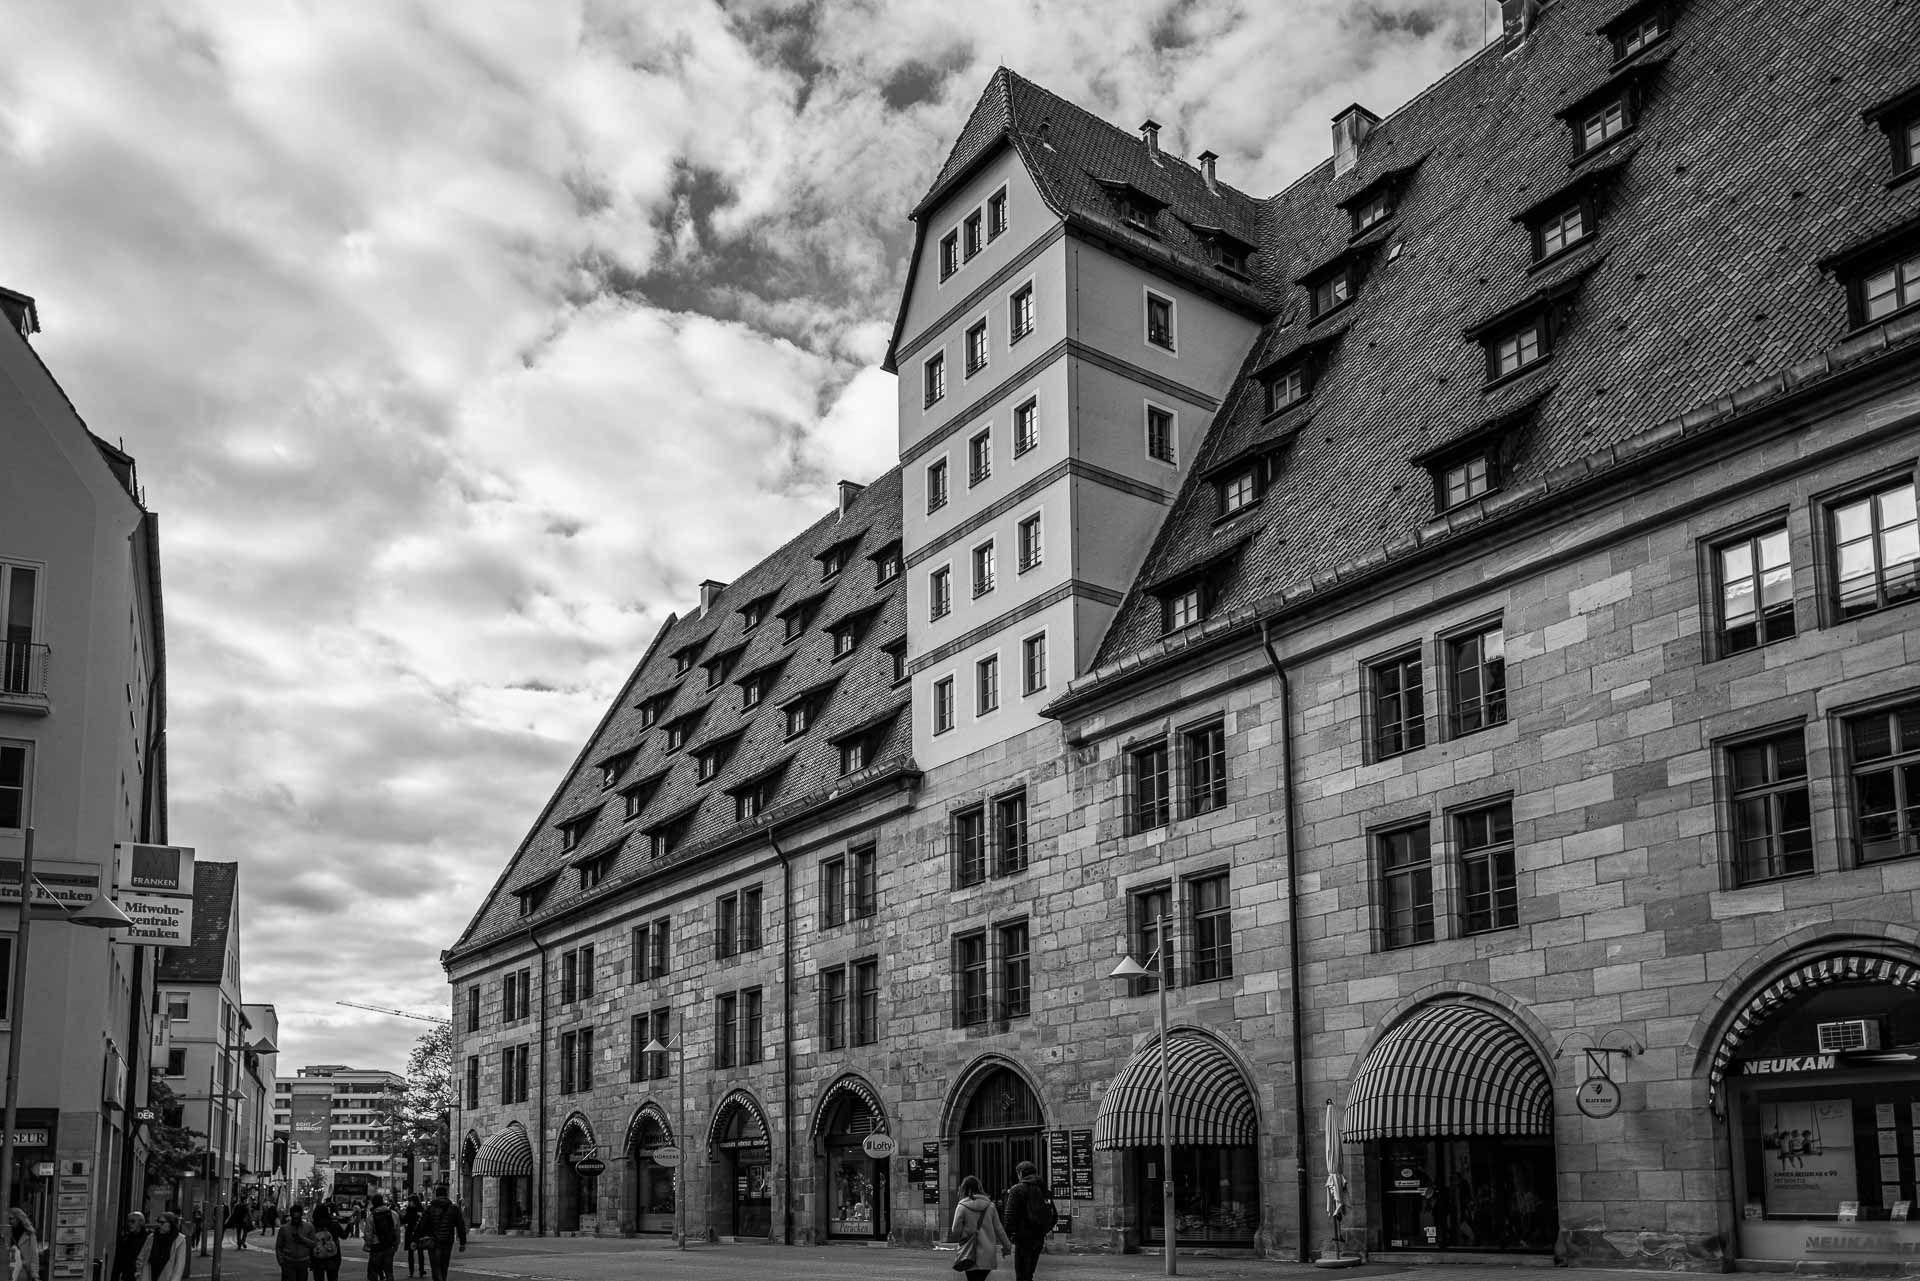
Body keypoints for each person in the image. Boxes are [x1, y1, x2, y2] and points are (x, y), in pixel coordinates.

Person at [950, 1175, 1013, 1281]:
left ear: (963, 1189)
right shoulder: (990, 1206)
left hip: (969, 1252)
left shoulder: (962, 1206)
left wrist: (963, 1235)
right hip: (987, 1253)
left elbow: (955, 1230)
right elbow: (999, 1229)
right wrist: (1007, 1247)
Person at [999, 1161, 1055, 1281]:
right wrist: (1043, 1230)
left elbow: (1009, 1216)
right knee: (1029, 1274)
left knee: (1021, 1275)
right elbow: (1054, 1216)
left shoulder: (1017, 1189)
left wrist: (1006, 1240)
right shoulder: (1043, 1188)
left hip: (1022, 1238)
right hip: (1038, 1239)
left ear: (1020, 1173)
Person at [417, 1185, 465, 1281]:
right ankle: (443, 1278)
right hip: (447, 1240)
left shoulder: (430, 1208)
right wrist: (462, 1242)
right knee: (444, 1265)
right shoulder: (454, 1208)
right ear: (446, 1195)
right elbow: (460, 1226)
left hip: (434, 1241)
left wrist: (415, 1239)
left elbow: (421, 1224)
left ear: (436, 1195)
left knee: (435, 1266)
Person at [136, 1212, 188, 1281]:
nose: (159, 1225)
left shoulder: (179, 1240)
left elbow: (179, 1265)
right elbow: (141, 1256)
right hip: (149, 1274)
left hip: (167, 1276)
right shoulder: (152, 1237)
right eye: (158, 1222)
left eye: (162, 1222)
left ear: (170, 1224)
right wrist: (138, 1273)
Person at [272, 1205, 317, 1281]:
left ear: (301, 1216)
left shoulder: (309, 1227)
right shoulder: (284, 1228)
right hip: (288, 1262)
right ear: (291, 1216)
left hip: (303, 1262)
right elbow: (279, 1246)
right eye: (294, 1218)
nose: (296, 1220)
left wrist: (302, 1239)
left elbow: (313, 1244)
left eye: (298, 1218)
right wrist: (281, 1262)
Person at [363, 1194, 399, 1281]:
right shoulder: (393, 1214)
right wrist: (396, 1245)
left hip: (376, 1247)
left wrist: (368, 1245)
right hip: (389, 1245)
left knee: (373, 1272)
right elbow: (397, 1232)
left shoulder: (371, 1217)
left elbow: (368, 1235)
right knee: (389, 1271)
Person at [308, 1203, 343, 1281]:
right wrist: (350, 1224)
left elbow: (309, 1243)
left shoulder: (312, 1226)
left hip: (317, 1258)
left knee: (318, 1278)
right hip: (333, 1258)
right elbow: (344, 1236)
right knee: (333, 1278)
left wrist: (310, 1260)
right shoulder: (334, 1224)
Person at [112, 1212, 148, 1281]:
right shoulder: (125, 1239)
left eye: (133, 1221)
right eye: (128, 1221)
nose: (130, 1224)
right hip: (128, 1276)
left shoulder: (149, 1238)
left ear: (141, 1222)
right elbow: (117, 1263)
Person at [8, 1208, 41, 1281]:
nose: (9, 1221)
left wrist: (35, 1275)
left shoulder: (29, 1233)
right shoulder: (7, 1233)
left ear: (18, 1218)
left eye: (11, 1218)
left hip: (23, 1271)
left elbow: (34, 1255)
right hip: (8, 1270)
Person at [400, 1194, 425, 1279]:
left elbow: (406, 1220)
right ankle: (412, 1271)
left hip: (417, 1233)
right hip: (412, 1232)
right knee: (412, 1253)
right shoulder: (411, 1209)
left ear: (414, 1201)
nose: (408, 1203)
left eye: (410, 1201)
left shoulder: (419, 1210)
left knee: (419, 1252)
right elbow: (405, 1220)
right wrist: (401, 1215)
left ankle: (421, 1270)